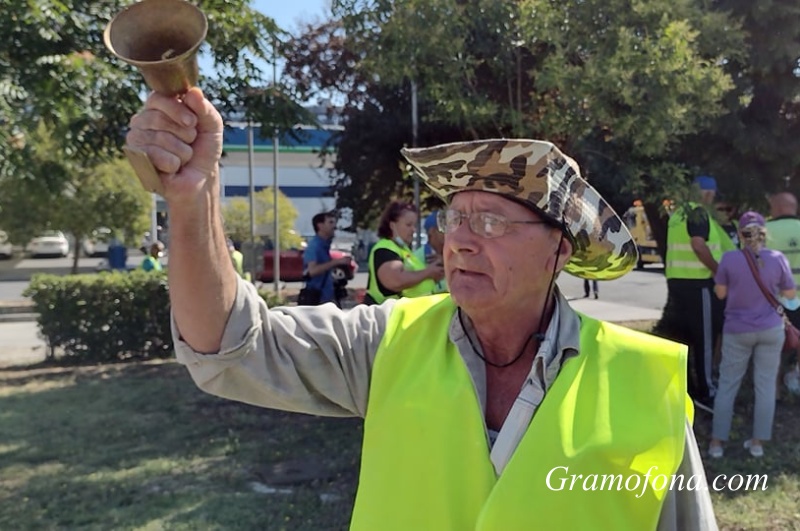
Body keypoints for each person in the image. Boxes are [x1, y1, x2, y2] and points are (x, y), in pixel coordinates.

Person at [127, 90, 716, 529]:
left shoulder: (645, 383)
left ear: (559, 250)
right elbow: (232, 346)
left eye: (490, 221)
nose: (458, 240)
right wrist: (194, 196)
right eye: (454, 218)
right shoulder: (387, 342)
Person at [708, 212, 796, 458]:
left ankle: (717, 444)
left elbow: (721, 294)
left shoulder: (729, 259)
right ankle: (757, 444)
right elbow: (790, 295)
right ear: (764, 232)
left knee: (727, 385)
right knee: (766, 386)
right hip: (770, 330)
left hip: (737, 330)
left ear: (741, 234)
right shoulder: (778, 259)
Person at [661, 175, 736, 413]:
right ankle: (706, 392)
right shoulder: (698, 213)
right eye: (711, 194)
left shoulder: (678, 215)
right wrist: (718, 272)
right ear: (706, 194)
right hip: (698, 284)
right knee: (704, 339)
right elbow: (698, 245)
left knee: (685, 339)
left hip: (679, 283)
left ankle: (689, 389)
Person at [363, 201, 444, 304]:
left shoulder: (403, 250)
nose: (413, 229)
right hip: (388, 315)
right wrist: (428, 273)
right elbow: (395, 281)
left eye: (414, 225)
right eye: (408, 225)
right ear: (392, 225)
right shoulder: (385, 248)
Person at [766, 191, 800, 392]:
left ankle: (775, 388)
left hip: (774, 301)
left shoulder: (765, 230)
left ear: (777, 209)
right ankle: (797, 379)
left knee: (773, 347)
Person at [302, 211, 352, 306]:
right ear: (320, 226)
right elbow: (312, 271)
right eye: (330, 222)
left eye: (334, 222)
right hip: (318, 299)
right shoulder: (314, 246)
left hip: (327, 297)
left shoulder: (325, 245)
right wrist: (336, 262)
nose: (334, 226)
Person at [413, 210, 447, 293]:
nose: (446, 232)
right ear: (431, 231)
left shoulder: (453, 255)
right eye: (442, 228)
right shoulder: (417, 257)